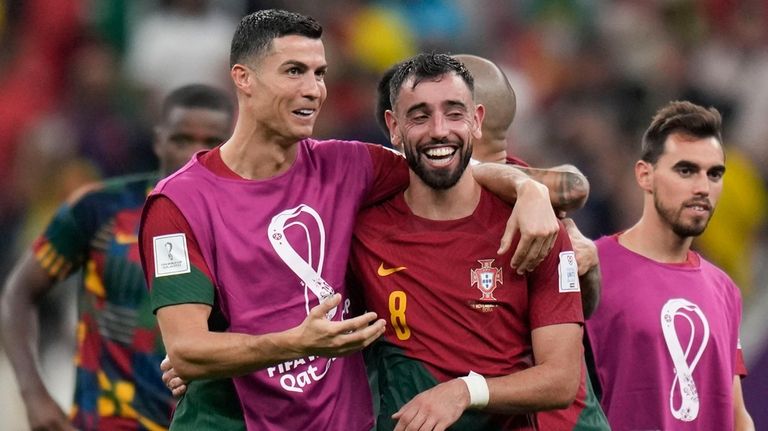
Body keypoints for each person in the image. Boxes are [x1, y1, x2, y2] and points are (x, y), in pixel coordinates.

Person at [139, 9, 562, 431]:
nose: (313, 90)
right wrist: (295, 344)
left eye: (319, 73)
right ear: (243, 78)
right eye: (294, 71)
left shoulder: (347, 166)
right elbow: (186, 350)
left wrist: (530, 190)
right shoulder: (179, 202)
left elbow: (445, 167)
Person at [350, 52, 584, 430]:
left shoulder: (535, 226)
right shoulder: (363, 230)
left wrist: (465, 390)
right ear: (393, 127)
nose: (439, 130)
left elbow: (560, 380)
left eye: (454, 113)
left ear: (476, 121)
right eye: (420, 115)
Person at [0, 84, 235, 431]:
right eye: (181, 140)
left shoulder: (250, 224)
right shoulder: (100, 209)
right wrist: (34, 395)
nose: (194, 155)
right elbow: (18, 293)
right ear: (158, 141)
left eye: (211, 142)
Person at [585, 101, 755, 430]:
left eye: (714, 174)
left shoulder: (724, 289)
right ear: (645, 175)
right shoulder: (592, 266)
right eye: (686, 170)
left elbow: (736, 413)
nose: (702, 188)